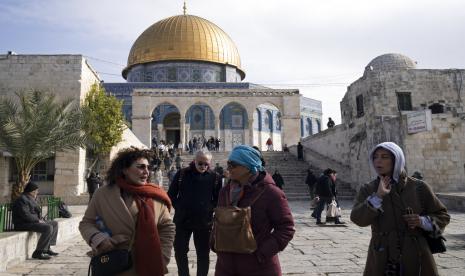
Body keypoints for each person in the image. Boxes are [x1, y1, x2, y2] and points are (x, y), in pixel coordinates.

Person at [350, 142, 450, 276]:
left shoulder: (419, 187)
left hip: (416, 254)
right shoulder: (368, 189)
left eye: (384, 157)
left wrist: (421, 221)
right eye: (375, 157)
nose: (378, 161)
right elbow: (358, 219)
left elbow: (442, 215)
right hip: (382, 256)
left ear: (396, 159)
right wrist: (377, 197)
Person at [79, 147, 175, 275]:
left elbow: (167, 227)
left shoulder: (155, 196)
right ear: (125, 170)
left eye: (148, 167)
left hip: (149, 263)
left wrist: (163, 256)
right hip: (113, 264)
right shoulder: (102, 194)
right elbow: (86, 223)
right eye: (141, 167)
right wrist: (98, 239)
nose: (146, 171)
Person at [214, 145, 295, 276]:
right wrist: (214, 243)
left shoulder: (271, 193)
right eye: (228, 164)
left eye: (233, 164)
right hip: (226, 266)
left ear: (248, 166)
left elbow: (286, 228)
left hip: (259, 268)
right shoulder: (226, 191)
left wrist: (261, 254)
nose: (228, 168)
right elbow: (219, 220)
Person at [168, 150, 221, 276]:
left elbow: (217, 199)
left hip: (204, 222)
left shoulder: (214, 177)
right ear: (195, 161)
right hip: (182, 220)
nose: (203, 167)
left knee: (203, 253)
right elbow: (171, 194)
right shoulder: (182, 174)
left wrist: (209, 208)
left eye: (206, 164)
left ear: (210, 163)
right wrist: (180, 206)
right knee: (180, 251)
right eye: (200, 163)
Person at [12, 181, 59, 260]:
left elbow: (34, 212)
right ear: (32, 191)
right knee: (48, 228)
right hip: (23, 223)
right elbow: (25, 215)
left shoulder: (30, 198)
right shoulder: (22, 199)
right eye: (36, 191)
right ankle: (38, 252)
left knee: (54, 223)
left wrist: (40, 219)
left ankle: (47, 248)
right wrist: (38, 220)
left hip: (32, 221)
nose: (37, 192)